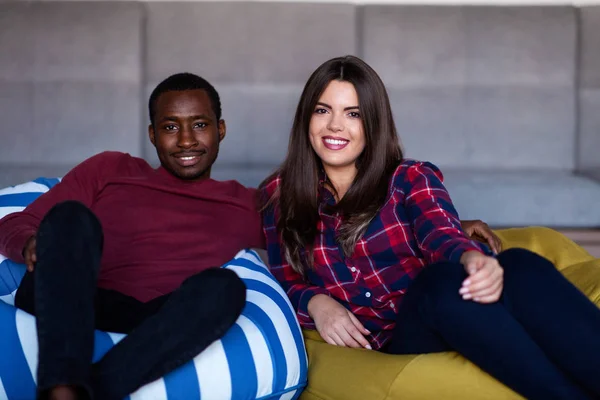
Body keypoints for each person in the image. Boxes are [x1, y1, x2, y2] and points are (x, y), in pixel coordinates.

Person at [259, 55, 600, 400]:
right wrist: (316, 302)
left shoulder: (410, 177)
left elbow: (440, 233)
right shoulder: (279, 193)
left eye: (353, 114)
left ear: (373, 124)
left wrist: (470, 257)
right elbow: (284, 277)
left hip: (443, 311)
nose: (335, 126)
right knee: (439, 285)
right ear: (306, 118)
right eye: (322, 110)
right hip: (395, 339)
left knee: (520, 265)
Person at [0, 73, 264, 400]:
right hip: (73, 297)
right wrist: (33, 243)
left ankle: (89, 393)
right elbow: (18, 221)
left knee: (225, 288)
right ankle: (62, 387)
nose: (185, 141)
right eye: (170, 127)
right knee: (70, 217)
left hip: (157, 317)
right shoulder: (110, 170)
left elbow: (316, 229)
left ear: (220, 129)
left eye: (199, 125)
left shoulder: (248, 204)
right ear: (153, 135)